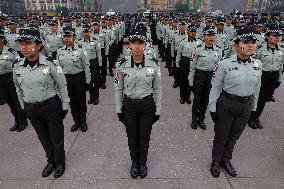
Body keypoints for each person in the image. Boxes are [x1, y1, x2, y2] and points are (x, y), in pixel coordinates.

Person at [13, 28, 69, 178]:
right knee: (43, 137)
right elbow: (18, 89)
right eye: (21, 44)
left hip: (50, 105)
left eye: (28, 43)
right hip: (32, 108)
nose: (23, 47)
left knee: (56, 136)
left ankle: (60, 161)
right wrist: (23, 106)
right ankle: (50, 161)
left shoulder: (51, 63)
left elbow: (62, 85)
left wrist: (65, 105)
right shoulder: (17, 66)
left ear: (38, 46)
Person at [208, 27, 261, 177]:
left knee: (234, 136)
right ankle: (216, 161)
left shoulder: (257, 64)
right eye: (246, 42)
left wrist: (254, 108)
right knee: (221, 135)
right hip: (227, 104)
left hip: (246, 106)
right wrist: (212, 108)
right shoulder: (224, 64)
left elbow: (257, 88)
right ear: (236, 45)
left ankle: (226, 159)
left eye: (253, 42)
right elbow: (216, 87)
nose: (250, 45)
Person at [114, 24, 162, 179]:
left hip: (147, 105)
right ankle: (134, 163)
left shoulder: (153, 64)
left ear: (145, 44)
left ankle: (143, 163)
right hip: (129, 106)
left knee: (144, 137)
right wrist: (119, 109)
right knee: (132, 137)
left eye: (140, 43)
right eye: (133, 42)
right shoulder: (121, 65)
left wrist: (158, 109)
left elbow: (158, 89)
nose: (137, 46)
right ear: (129, 45)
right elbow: (119, 89)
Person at [248, 26, 283, 129]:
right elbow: (253, 64)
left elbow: (281, 66)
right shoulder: (260, 50)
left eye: (279, 36)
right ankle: (250, 117)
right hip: (261, 76)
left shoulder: (281, 50)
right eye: (274, 36)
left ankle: (256, 117)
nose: (277, 38)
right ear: (267, 36)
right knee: (256, 97)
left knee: (263, 99)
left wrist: (279, 79)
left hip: (273, 77)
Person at [57, 26, 91, 132]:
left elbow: (86, 66)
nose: (66, 38)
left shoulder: (81, 50)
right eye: (65, 36)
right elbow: (58, 68)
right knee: (72, 102)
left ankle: (83, 122)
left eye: (69, 36)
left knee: (81, 102)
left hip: (78, 78)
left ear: (74, 37)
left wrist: (88, 81)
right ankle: (76, 122)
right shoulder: (59, 51)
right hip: (66, 80)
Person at [188, 26, 222, 130]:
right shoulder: (197, 49)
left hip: (210, 77)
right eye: (209, 35)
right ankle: (194, 119)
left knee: (206, 100)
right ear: (204, 36)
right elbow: (192, 66)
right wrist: (190, 81)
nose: (211, 37)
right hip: (200, 76)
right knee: (197, 99)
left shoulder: (218, 50)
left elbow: (218, 66)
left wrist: (217, 80)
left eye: (213, 35)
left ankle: (201, 119)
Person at [0, 29, 28, 131]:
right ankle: (16, 121)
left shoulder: (11, 52)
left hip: (10, 78)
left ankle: (23, 121)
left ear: (2, 39)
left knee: (16, 101)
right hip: (0, 81)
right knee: (9, 102)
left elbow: (19, 65)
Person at [176, 24, 201, 104]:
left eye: (194, 31)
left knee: (191, 80)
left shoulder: (199, 42)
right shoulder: (182, 42)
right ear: (188, 32)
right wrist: (177, 63)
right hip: (185, 61)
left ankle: (188, 96)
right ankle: (182, 96)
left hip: (194, 62)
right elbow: (179, 53)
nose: (193, 33)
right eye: (191, 31)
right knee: (183, 80)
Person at [78, 24, 102, 105]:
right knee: (88, 81)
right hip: (85, 64)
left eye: (87, 32)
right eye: (84, 32)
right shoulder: (80, 42)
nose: (86, 33)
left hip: (93, 62)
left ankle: (96, 97)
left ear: (90, 32)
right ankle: (91, 97)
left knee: (95, 81)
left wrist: (100, 65)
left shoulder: (95, 41)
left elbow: (99, 53)